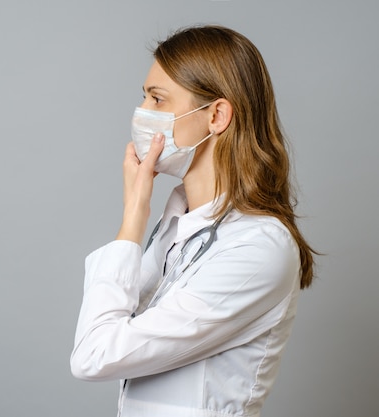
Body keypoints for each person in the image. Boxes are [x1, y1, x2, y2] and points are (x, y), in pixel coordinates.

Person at [70, 25, 316, 417]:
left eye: (157, 99)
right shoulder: (180, 221)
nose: (142, 114)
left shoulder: (258, 247)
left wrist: (133, 216)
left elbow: (95, 354)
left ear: (217, 115)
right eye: (144, 97)